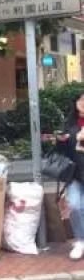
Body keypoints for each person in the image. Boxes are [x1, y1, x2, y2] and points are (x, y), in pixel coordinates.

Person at [56, 92, 84, 260]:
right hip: (75, 174)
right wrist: (62, 141)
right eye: (81, 100)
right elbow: (61, 152)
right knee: (74, 206)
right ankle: (80, 240)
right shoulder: (70, 123)